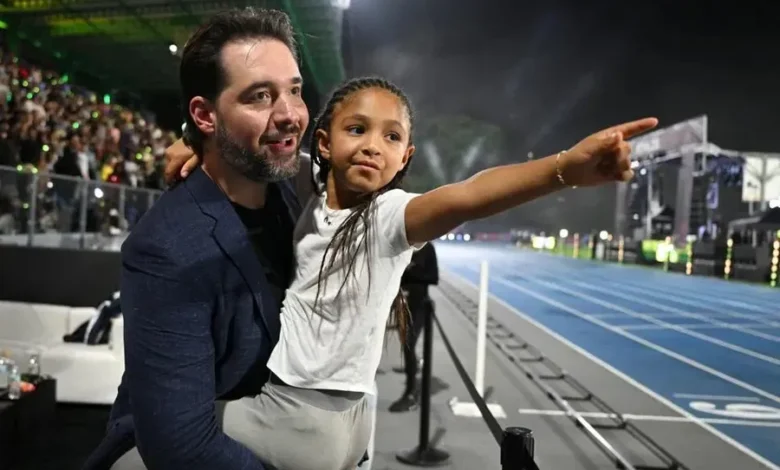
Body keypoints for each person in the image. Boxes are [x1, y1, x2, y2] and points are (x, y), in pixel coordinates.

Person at [167, 70, 657, 469]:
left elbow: (470, 194)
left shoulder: (388, 216)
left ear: (406, 156)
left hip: (300, 416)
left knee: (161, 426)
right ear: (324, 143)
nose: (372, 145)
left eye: (391, 136)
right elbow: (267, 157)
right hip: (355, 422)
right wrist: (201, 146)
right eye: (357, 129)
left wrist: (565, 169)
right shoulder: (310, 194)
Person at [83, 7, 313, 470]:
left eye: (294, 90)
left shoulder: (291, 189)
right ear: (205, 115)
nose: (290, 114)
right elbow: (181, 447)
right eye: (260, 96)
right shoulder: (166, 247)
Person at [389, 242, 439, 413]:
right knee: (406, 346)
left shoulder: (427, 248)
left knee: (409, 345)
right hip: (402, 305)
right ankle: (412, 373)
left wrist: (409, 272)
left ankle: (411, 394)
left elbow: (433, 277)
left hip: (419, 306)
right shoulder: (403, 245)